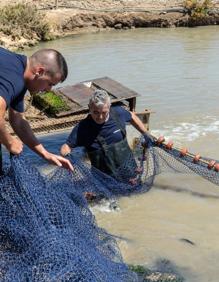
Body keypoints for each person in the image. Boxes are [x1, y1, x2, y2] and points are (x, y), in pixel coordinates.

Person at [0, 47, 73, 173]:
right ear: (39, 71)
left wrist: (45, 154)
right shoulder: (14, 78)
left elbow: (18, 120)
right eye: (50, 83)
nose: (49, 90)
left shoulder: (17, 67)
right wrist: (10, 142)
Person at [60, 89, 153, 179]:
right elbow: (65, 147)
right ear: (89, 107)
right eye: (95, 112)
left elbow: (131, 115)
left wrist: (145, 133)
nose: (100, 117)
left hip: (129, 170)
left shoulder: (118, 113)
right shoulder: (82, 128)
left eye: (104, 112)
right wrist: (68, 157)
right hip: (103, 179)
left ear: (109, 107)